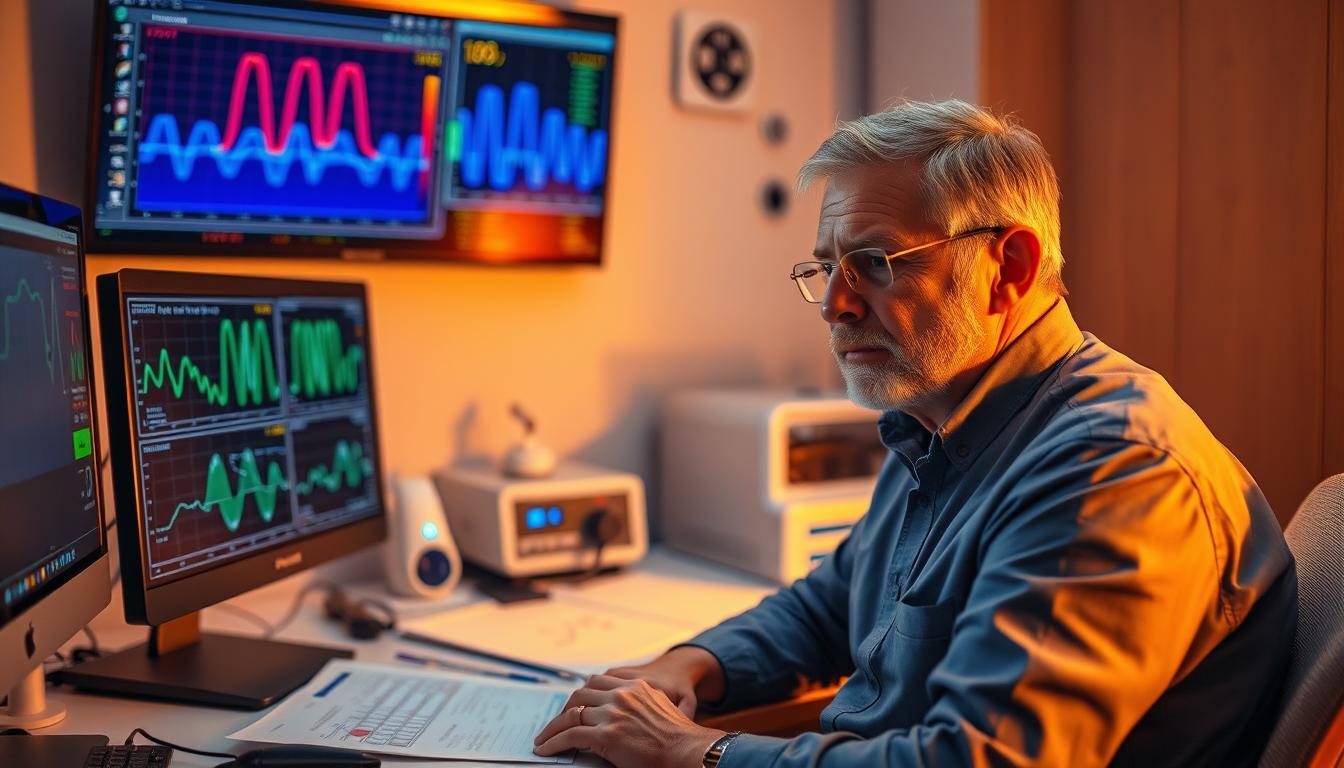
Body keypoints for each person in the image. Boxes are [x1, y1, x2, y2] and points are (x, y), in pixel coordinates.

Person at [532, 100, 1297, 767]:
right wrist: (686, 667)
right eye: (826, 267)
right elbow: (832, 606)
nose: (834, 304)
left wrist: (693, 752)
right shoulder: (942, 416)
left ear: (1009, 267)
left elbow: (977, 760)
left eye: (873, 262)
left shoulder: (1114, 469)